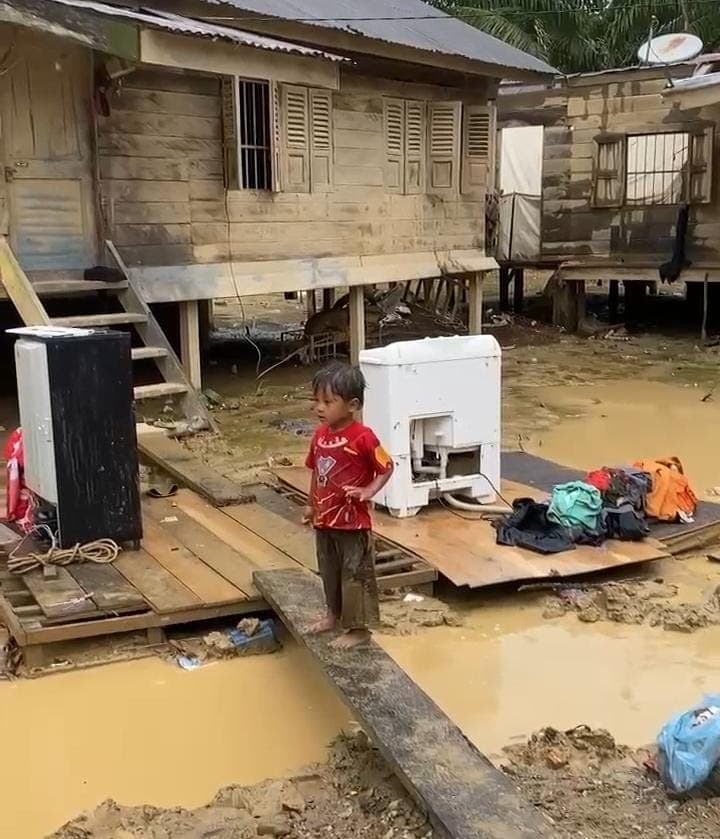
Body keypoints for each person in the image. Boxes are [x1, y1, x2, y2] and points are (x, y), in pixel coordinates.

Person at [304, 361, 394, 649]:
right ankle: (333, 614)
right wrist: (310, 505)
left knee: (355, 573)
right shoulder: (319, 436)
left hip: (352, 522)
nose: (320, 408)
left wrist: (369, 490)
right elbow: (316, 472)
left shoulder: (363, 437)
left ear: (352, 404)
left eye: (328, 402)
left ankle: (359, 628)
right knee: (329, 569)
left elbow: (386, 466)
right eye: (316, 401)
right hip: (324, 519)